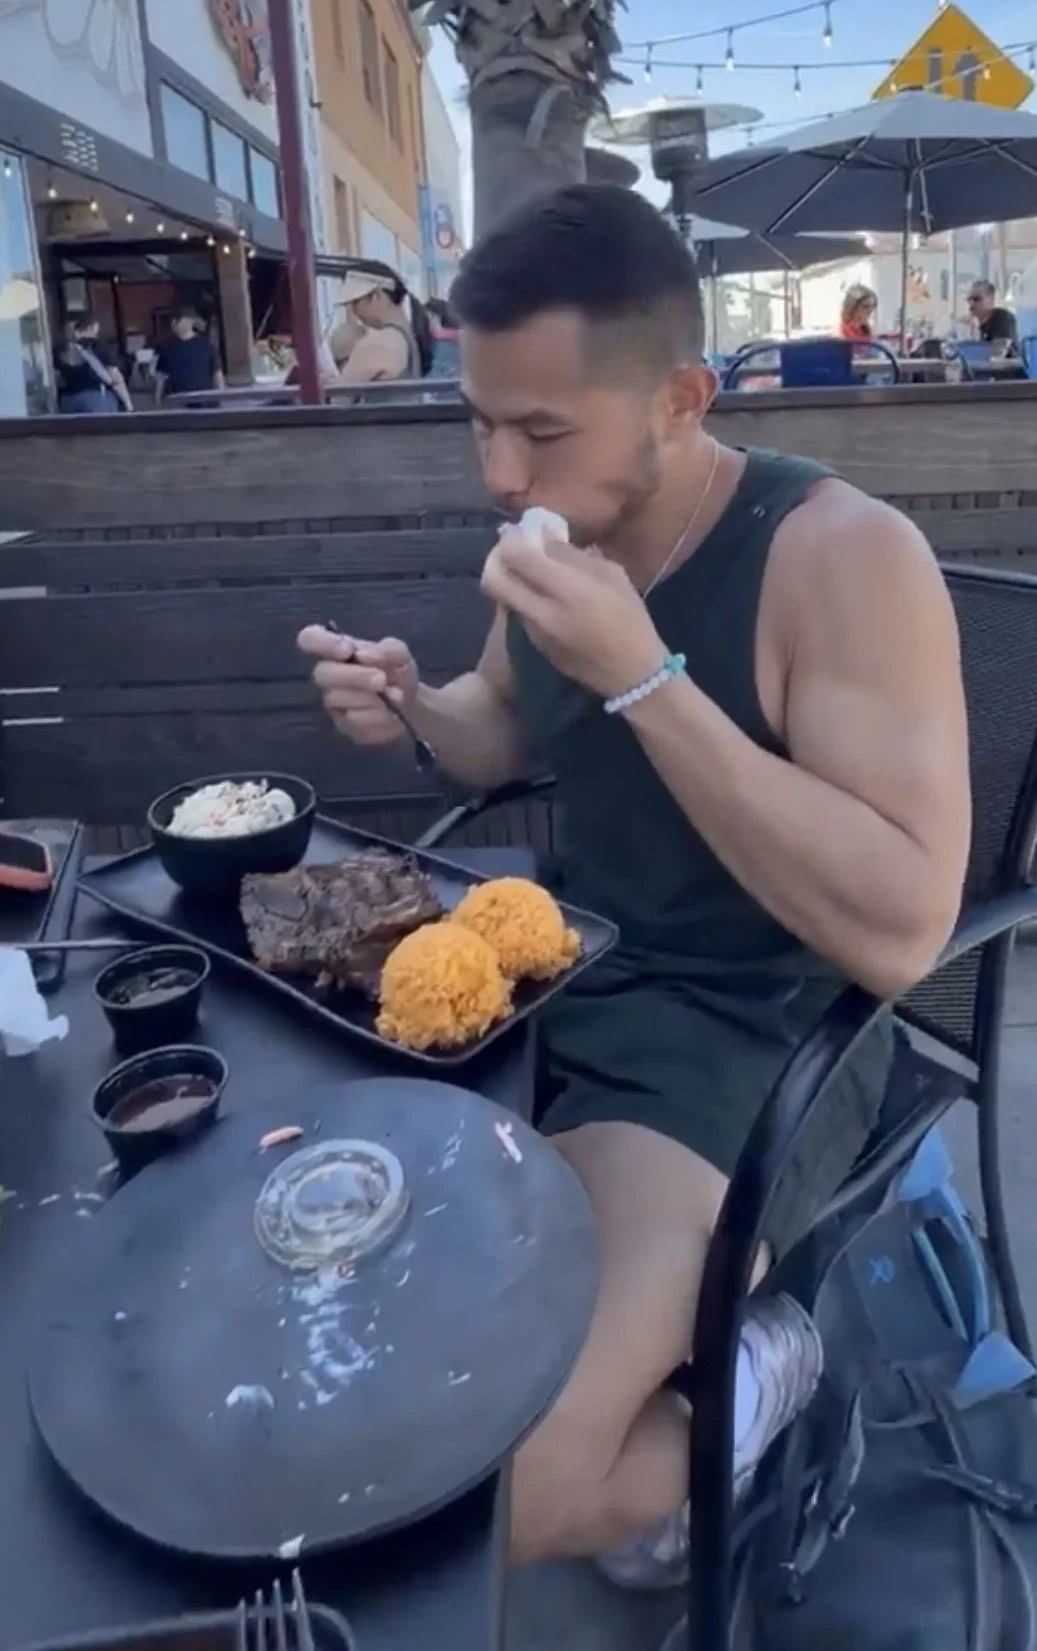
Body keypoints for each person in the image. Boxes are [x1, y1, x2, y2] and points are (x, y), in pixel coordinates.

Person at [296, 184, 970, 1579]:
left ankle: (778, 1363)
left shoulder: (840, 556)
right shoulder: (560, 534)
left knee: (509, 1505)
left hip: (756, 1033)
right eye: (478, 419)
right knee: (353, 1360)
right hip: (561, 989)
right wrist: (415, 702)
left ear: (680, 395)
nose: (498, 472)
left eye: (540, 430)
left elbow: (906, 927)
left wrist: (649, 677)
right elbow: (502, 719)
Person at [326, 262, 431, 384]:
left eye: (355, 303)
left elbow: (339, 397)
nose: (354, 312)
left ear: (375, 295)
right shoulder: (407, 336)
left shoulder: (378, 343)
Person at [54, 318, 131, 415]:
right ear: (91, 327)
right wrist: (128, 404)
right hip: (95, 397)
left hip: (67, 400)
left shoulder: (59, 349)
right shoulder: (98, 345)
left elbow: (58, 376)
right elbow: (115, 376)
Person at [154, 303, 222, 401]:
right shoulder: (167, 348)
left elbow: (217, 374)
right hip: (177, 403)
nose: (173, 324)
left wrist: (221, 396)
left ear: (188, 320)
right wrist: (158, 402)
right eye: (172, 320)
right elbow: (161, 379)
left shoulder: (206, 346)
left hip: (205, 402)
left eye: (177, 320)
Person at [967, 279, 1018, 353]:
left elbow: (998, 353)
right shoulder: (966, 324)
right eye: (969, 300)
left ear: (991, 300)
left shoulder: (1003, 318)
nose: (971, 304)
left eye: (976, 299)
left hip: (1006, 364)